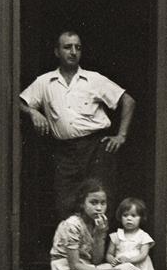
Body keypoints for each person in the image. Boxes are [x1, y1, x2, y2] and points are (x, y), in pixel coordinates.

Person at [20, 30, 136, 219]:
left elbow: (128, 101)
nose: (73, 52)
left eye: (78, 48)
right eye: (67, 47)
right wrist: (33, 112)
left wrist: (121, 135)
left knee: (99, 203)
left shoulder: (93, 79)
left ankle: (98, 248)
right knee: (65, 203)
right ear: (57, 52)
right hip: (65, 152)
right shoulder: (45, 82)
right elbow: (20, 102)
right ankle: (72, 248)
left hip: (96, 149)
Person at [106, 197, 164, 270]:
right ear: (120, 217)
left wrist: (129, 260)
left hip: (138, 265)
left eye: (133, 215)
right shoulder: (116, 235)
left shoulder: (143, 236)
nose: (129, 218)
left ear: (141, 218)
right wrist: (112, 259)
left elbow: (143, 255)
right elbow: (109, 253)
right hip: (121, 265)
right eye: (125, 215)